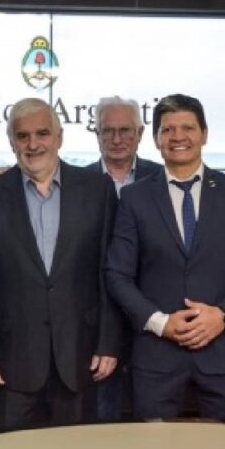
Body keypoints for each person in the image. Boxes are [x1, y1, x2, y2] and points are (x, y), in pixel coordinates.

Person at [105, 94, 225, 421]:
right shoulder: (135, 197)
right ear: (156, 139)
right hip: (157, 357)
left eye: (188, 128)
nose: (178, 137)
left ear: (204, 134)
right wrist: (160, 322)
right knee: (153, 446)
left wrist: (223, 316)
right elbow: (117, 274)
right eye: (168, 130)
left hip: (222, 354)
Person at [0, 97, 121, 427]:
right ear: (11, 142)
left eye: (42, 134)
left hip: (80, 356)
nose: (33, 144)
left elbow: (109, 274)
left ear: (59, 137)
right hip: (12, 362)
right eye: (22, 136)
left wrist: (109, 342)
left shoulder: (98, 189)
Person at [85, 95, 162, 421]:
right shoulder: (78, 183)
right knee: (102, 422)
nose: (116, 139)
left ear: (140, 133)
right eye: (107, 130)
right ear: (97, 133)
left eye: (125, 130)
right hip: (95, 325)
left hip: (154, 320)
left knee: (153, 423)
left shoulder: (163, 179)